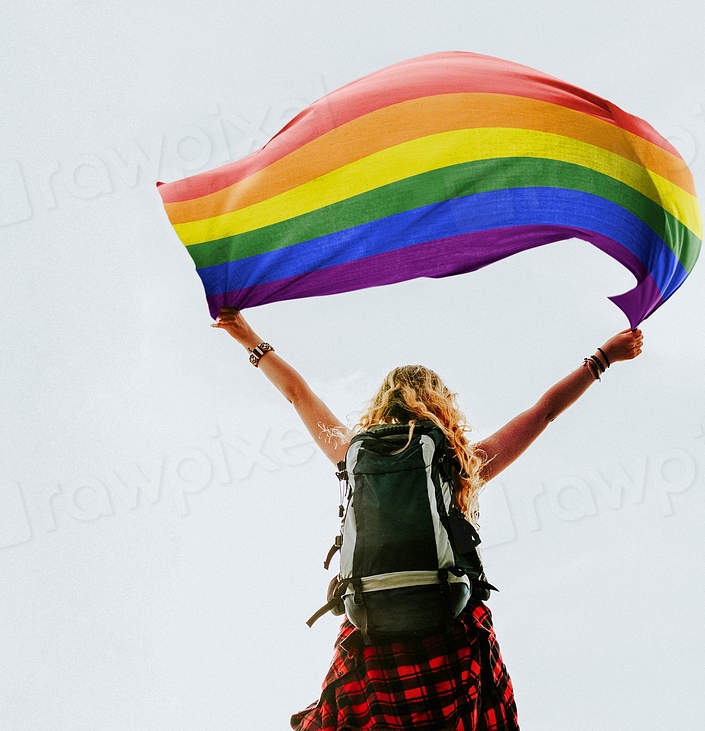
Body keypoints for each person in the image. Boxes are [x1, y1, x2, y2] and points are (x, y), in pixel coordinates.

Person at [211, 306, 643, 731]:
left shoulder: (353, 454)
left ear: (382, 405)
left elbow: (297, 394)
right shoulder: (461, 463)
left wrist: (248, 336)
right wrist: (603, 357)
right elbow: (544, 412)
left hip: (371, 641)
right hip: (452, 640)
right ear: (442, 406)